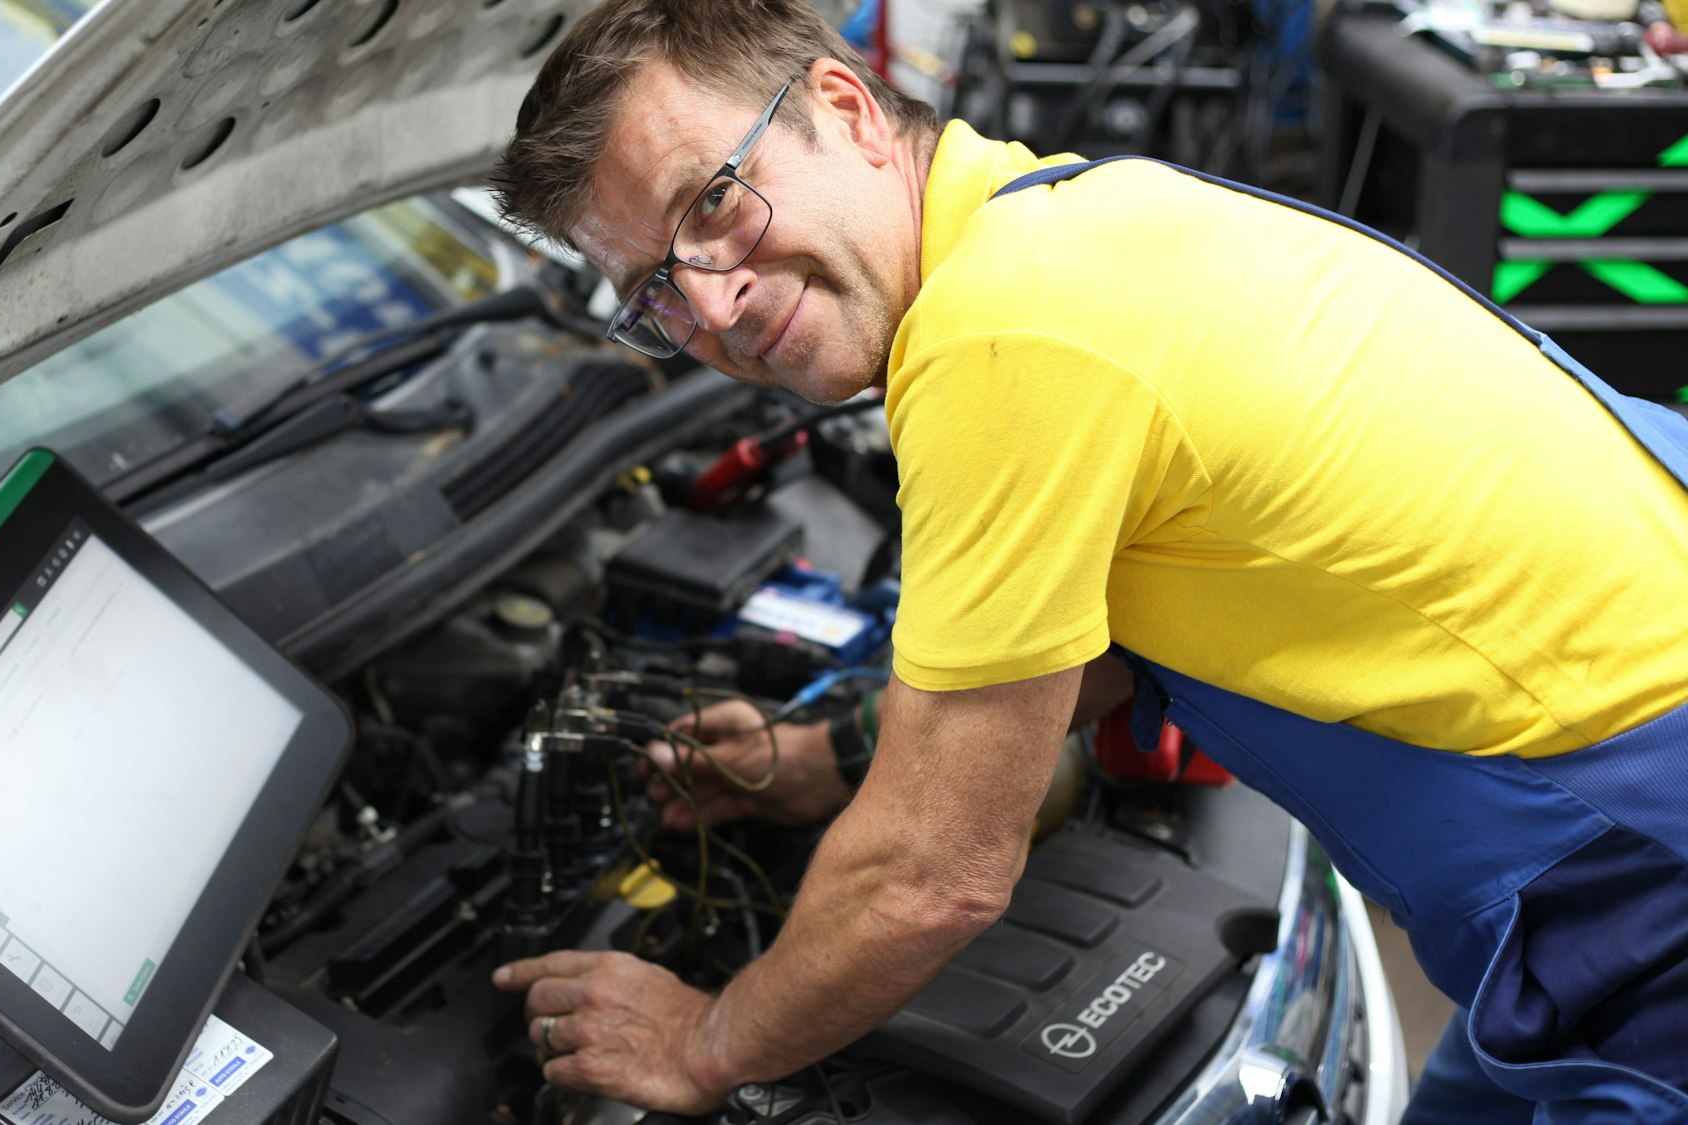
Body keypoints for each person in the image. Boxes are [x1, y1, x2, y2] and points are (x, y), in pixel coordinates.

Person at [484, 1, 1688, 1120]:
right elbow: (1103, 626)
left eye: (711, 204)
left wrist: (707, 1040)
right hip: (1573, 888)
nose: (718, 300)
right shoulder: (1069, 213)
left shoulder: (999, 334)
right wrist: (837, 748)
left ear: (845, 110)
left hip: (1642, 895)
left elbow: (928, 878)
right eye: (652, 290)